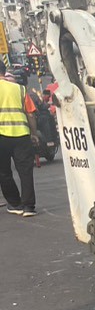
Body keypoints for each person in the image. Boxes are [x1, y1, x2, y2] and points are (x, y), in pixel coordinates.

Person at [0, 58, 38, 218]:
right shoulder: (20, 89)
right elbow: (30, 113)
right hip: (22, 134)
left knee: (4, 172)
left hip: (1, 137)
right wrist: (34, 134)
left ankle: (15, 204)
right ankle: (29, 206)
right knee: (25, 171)